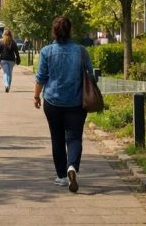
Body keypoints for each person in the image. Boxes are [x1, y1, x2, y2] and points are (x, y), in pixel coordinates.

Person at [34, 16, 93, 194]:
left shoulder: (46, 51)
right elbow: (90, 75)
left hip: (53, 101)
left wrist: (36, 96)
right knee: (74, 137)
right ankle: (72, 166)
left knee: (57, 138)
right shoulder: (81, 51)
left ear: (54, 31)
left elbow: (41, 77)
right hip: (76, 102)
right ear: (70, 31)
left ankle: (61, 176)